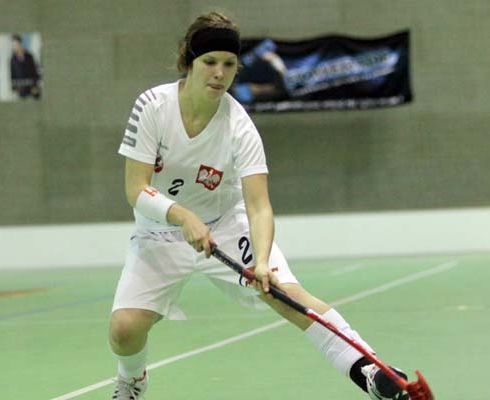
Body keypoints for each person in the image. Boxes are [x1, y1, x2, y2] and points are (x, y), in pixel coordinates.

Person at [110, 11, 409, 400]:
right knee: (124, 330)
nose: (219, 73)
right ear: (190, 62)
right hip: (159, 231)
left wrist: (263, 262)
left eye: (229, 64)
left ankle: (369, 369)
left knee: (288, 294)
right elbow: (136, 189)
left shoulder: (239, 124)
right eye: (210, 62)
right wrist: (182, 216)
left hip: (224, 225)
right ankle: (132, 379)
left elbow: (258, 207)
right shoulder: (152, 106)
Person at [10, 34, 41, 99]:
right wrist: (14, 88)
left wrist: (35, 85)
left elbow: (35, 71)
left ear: (20, 43)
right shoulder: (13, 59)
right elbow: (13, 75)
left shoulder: (29, 56)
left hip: (32, 87)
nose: (15, 47)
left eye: (17, 44)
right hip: (21, 89)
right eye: (14, 45)